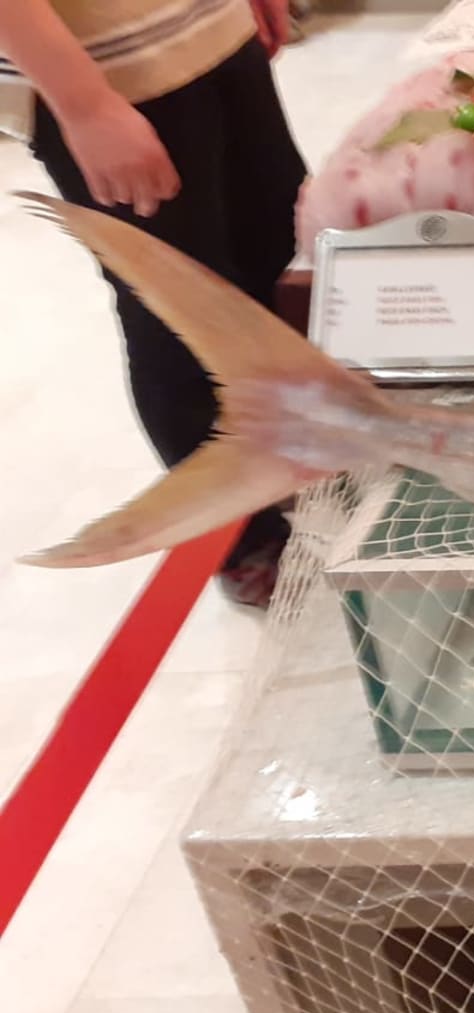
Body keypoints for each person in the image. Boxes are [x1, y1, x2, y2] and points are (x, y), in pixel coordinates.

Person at [0, 0, 308, 607]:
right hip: (105, 67)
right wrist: (86, 106)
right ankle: (239, 538)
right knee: (182, 317)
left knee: (281, 263)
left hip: (211, 28)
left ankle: (299, 468)